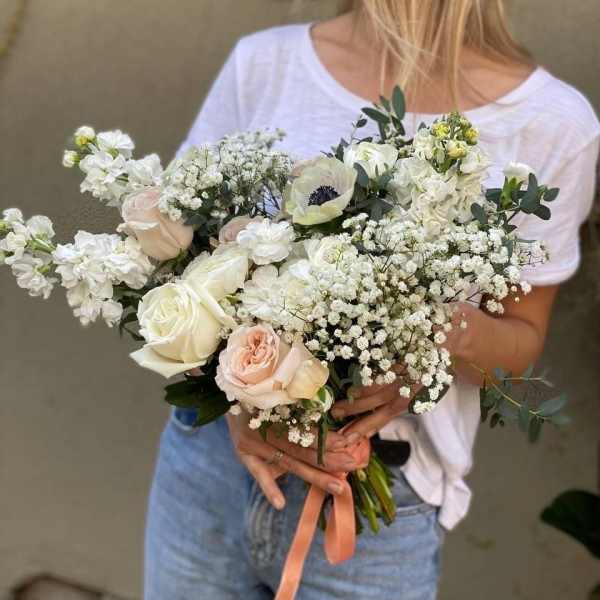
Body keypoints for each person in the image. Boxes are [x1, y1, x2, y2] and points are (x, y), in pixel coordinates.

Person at [144, 2, 600, 598]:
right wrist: (240, 399)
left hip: (378, 497)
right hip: (212, 465)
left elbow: (520, 340)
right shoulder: (264, 62)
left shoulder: (555, 124)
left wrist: (431, 337)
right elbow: (176, 260)